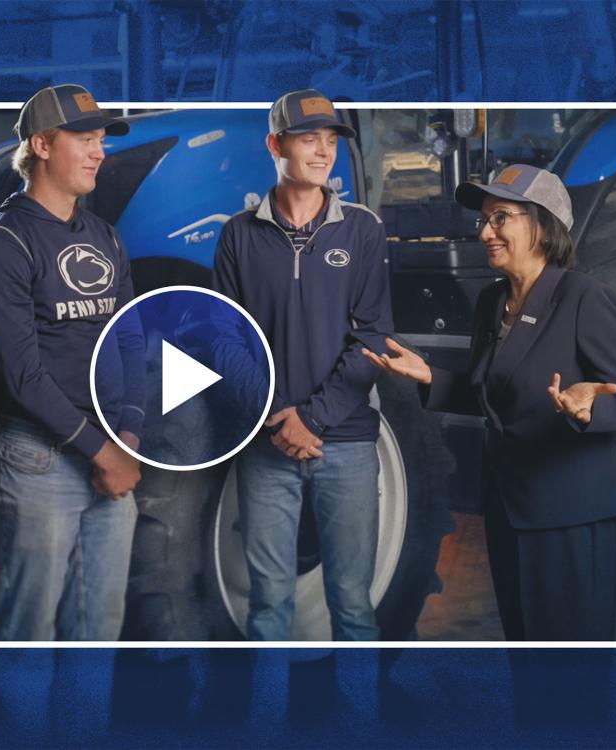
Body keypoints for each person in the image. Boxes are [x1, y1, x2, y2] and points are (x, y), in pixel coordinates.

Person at [363, 164, 616, 640]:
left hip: (568, 513)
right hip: (508, 508)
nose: (485, 232)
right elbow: (492, 396)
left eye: (500, 218)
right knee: (526, 655)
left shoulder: (584, 298)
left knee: (570, 663)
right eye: (484, 220)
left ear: (543, 227)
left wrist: (589, 408)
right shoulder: (493, 302)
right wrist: (430, 375)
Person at [0, 84, 145, 641]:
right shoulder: (4, 244)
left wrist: (129, 433)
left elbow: (130, 339)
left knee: (99, 629)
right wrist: (104, 452)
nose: (99, 152)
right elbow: (22, 376)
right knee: (30, 635)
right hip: (38, 461)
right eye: (84, 139)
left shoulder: (104, 236)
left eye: (101, 140)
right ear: (41, 145)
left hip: (112, 451)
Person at [212, 89, 393, 640]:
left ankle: (355, 703)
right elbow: (224, 338)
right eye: (309, 138)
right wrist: (277, 415)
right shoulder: (238, 234)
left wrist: (310, 419)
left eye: (331, 140)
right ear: (275, 145)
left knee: (354, 605)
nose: (323, 151)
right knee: (268, 607)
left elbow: (373, 339)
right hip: (266, 445)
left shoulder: (362, 230)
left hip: (348, 444)